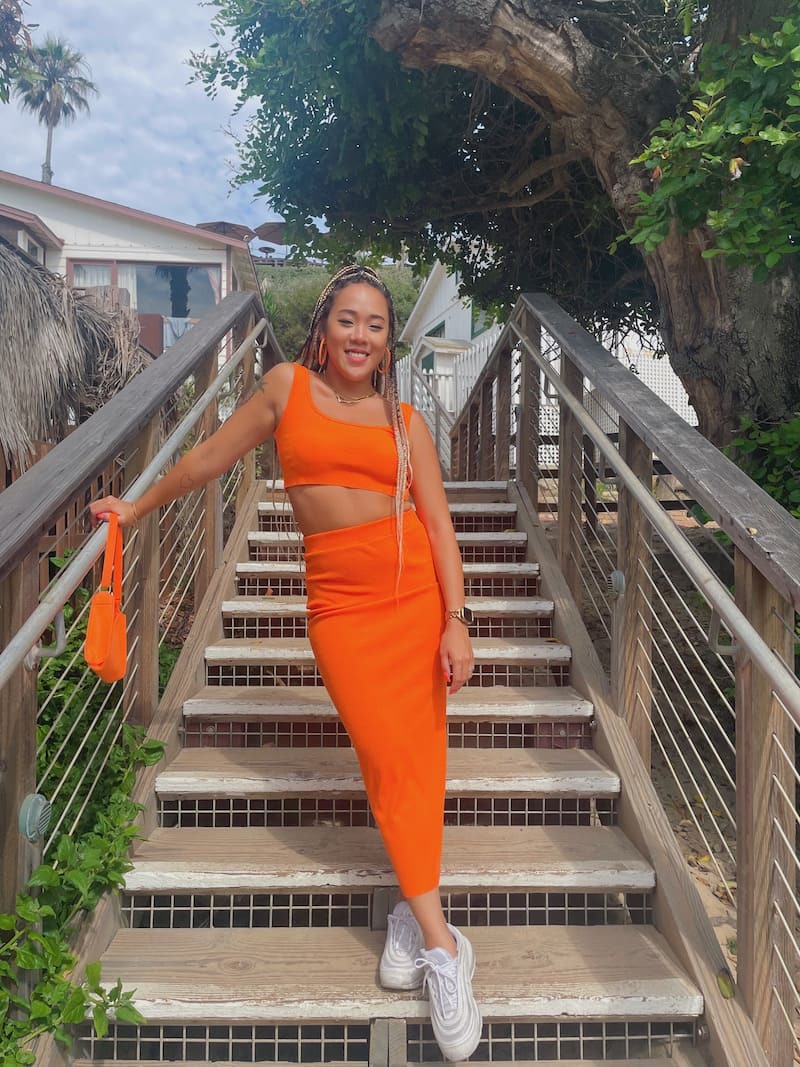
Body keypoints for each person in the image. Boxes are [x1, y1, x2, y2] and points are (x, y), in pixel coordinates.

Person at [90, 264, 482, 1061]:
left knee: (412, 761)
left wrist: (458, 621)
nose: (361, 336)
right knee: (383, 752)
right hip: (340, 608)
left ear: (388, 341)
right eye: (349, 320)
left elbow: (440, 527)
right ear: (324, 328)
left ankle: (430, 935)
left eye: (376, 325)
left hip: (413, 597)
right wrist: (135, 505)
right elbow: (208, 459)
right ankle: (442, 939)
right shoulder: (284, 388)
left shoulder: (405, 420)